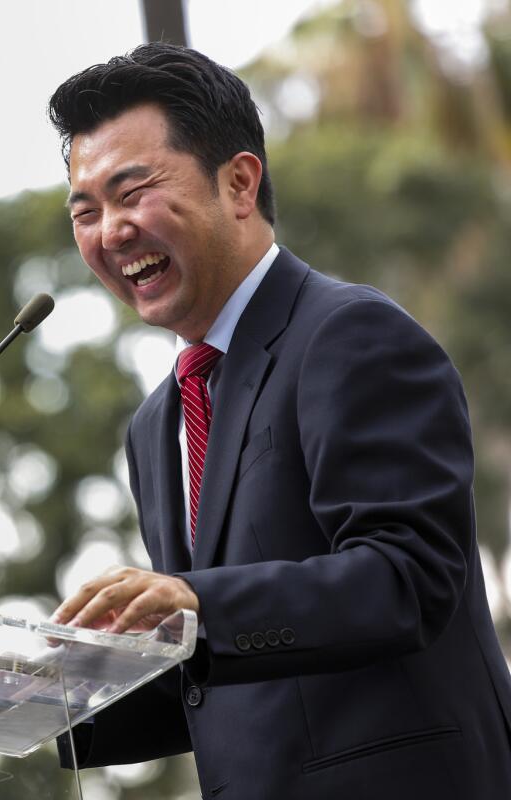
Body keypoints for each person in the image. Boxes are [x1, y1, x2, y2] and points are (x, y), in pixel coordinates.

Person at [46, 43, 511, 799]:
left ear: (238, 182)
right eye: (86, 211)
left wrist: (200, 604)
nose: (111, 231)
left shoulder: (349, 335)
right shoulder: (156, 423)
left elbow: (406, 579)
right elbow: (222, 665)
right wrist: (46, 690)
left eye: (133, 193)